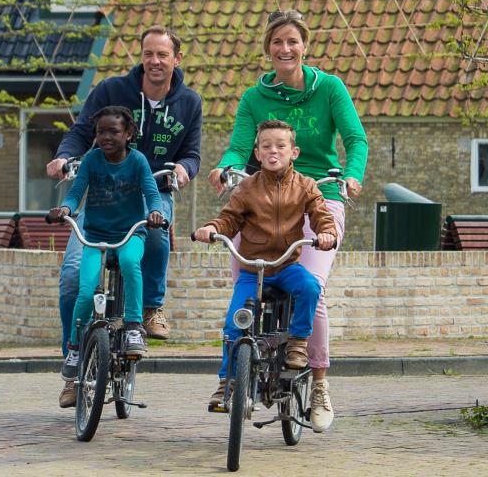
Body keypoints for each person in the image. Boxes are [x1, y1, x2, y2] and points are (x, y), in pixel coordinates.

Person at [206, 9, 366, 432]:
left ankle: (318, 385)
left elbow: (355, 138)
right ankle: (236, 370)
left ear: (304, 45)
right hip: (262, 197)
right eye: (278, 42)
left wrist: (351, 176)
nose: (285, 49)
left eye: (293, 41)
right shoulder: (253, 98)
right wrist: (225, 169)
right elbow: (240, 146)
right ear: (268, 48)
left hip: (319, 197)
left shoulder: (329, 88)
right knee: (246, 284)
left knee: (312, 287)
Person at [46, 26, 201, 345]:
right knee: (73, 280)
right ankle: (72, 360)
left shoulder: (189, 102)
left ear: (177, 58)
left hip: (153, 190)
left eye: (162, 54)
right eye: (148, 54)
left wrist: (185, 169)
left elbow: (192, 154)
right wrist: (64, 157)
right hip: (104, 193)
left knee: (157, 230)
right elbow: (80, 132)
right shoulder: (111, 91)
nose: (155, 61)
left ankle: (151, 307)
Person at [194, 119, 336, 411]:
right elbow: (229, 218)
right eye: (266, 146)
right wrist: (211, 228)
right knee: (235, 322)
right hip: (253, 269)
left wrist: (327, 233)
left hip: (286, 266)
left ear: (293, 152)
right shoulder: (247, 188)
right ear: (257, 154)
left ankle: (298, 342)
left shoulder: (305, 186)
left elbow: (321, 214)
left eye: (280, 146)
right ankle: (227, 383)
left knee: (310, 288)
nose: (273, 152)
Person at [45, 105, 165, 408]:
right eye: (101, 131)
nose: (106, 137)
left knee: (129, 263)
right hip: (95, 237)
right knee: (84, 291)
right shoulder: (91, 161)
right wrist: (66, 210)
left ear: (128, 134)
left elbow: (152, 193)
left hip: (130, 233)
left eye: (114, 131)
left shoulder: (138, 162)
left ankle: (135, 327)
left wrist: (155, 212)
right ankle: (75, 348)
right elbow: (76, 193)